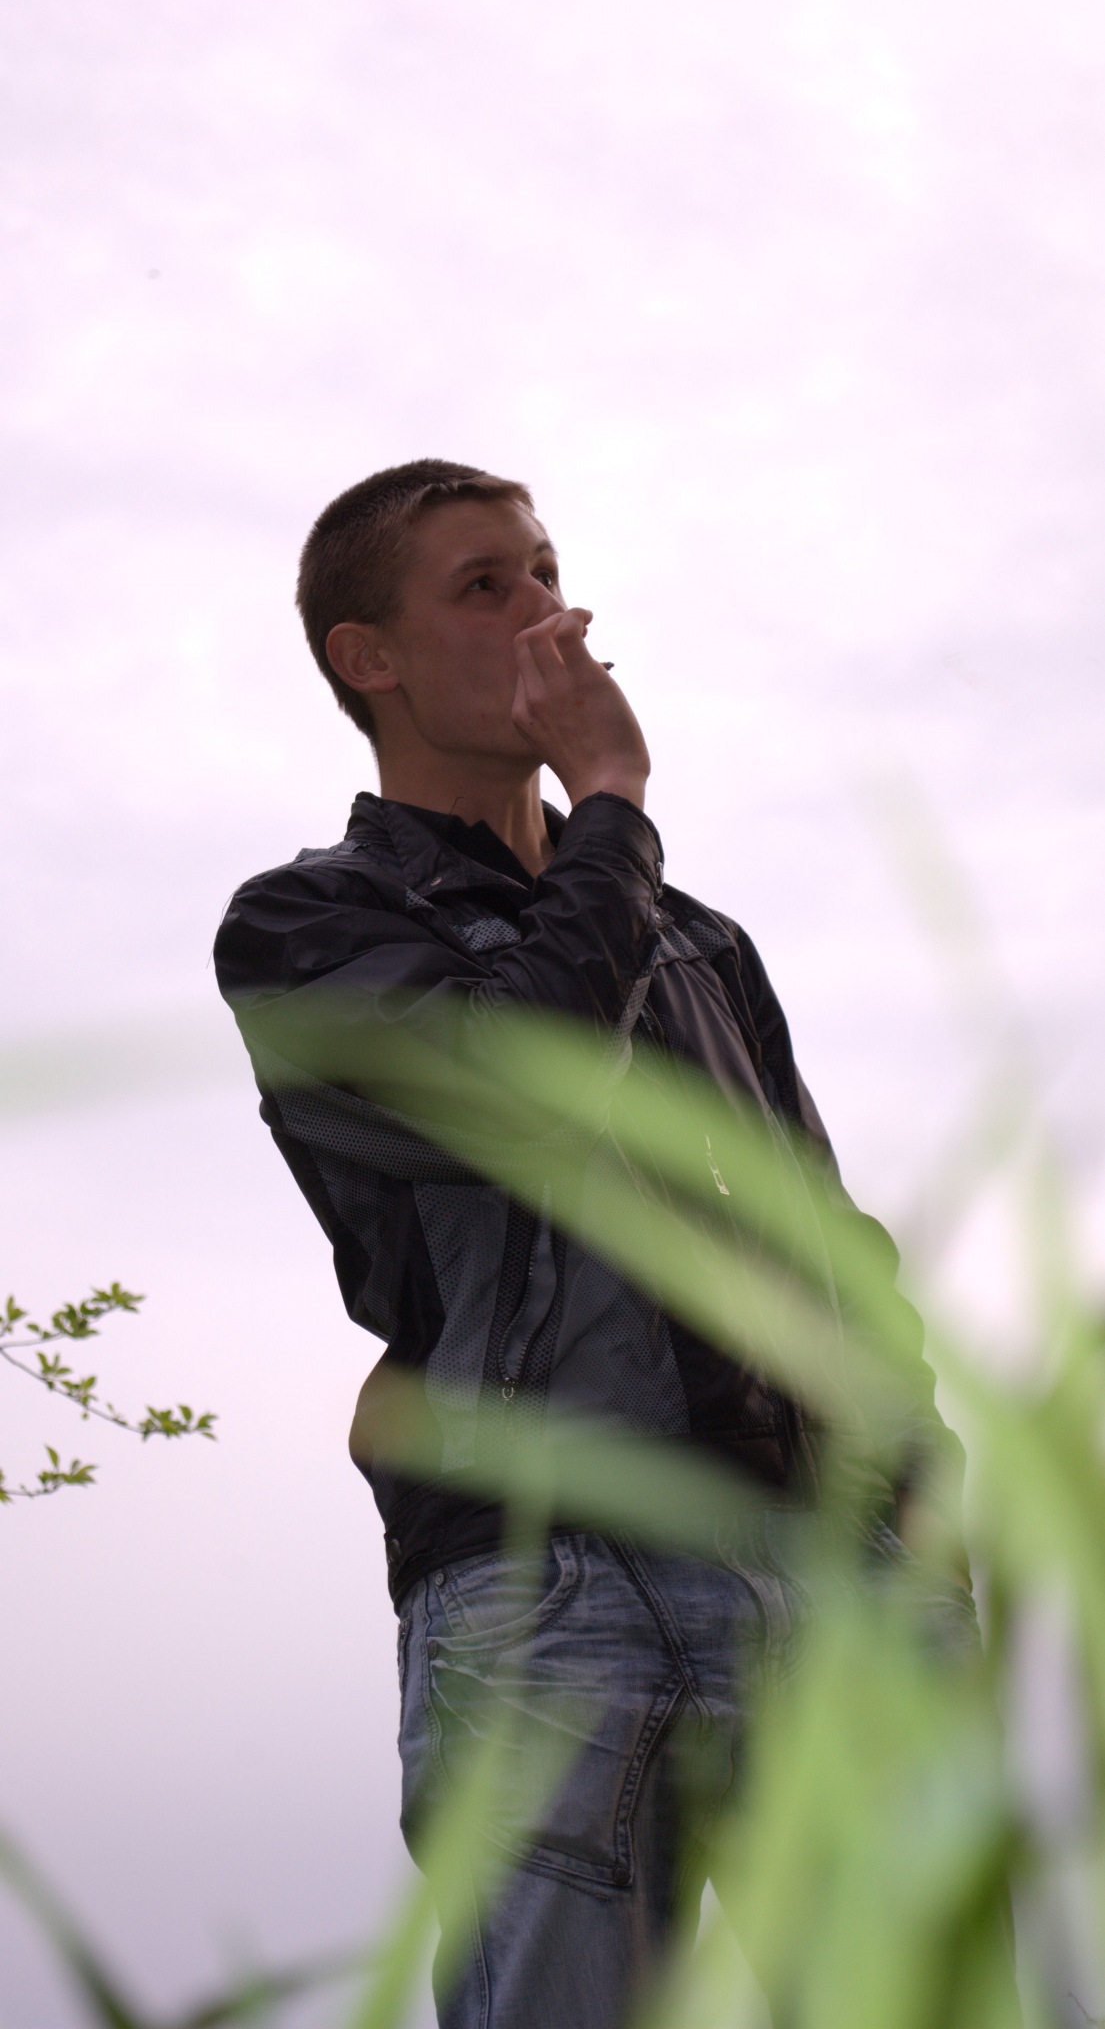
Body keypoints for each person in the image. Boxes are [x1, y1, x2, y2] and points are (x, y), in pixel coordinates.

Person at [213, 459, 973, 2029]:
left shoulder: (696, 939)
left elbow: (822, 1239)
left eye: (549, 574)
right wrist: (612, 803)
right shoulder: (303, 926)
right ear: (370, 657)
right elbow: (526, 1090)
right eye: (485, 585)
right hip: (552, 1588)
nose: (547, 616)